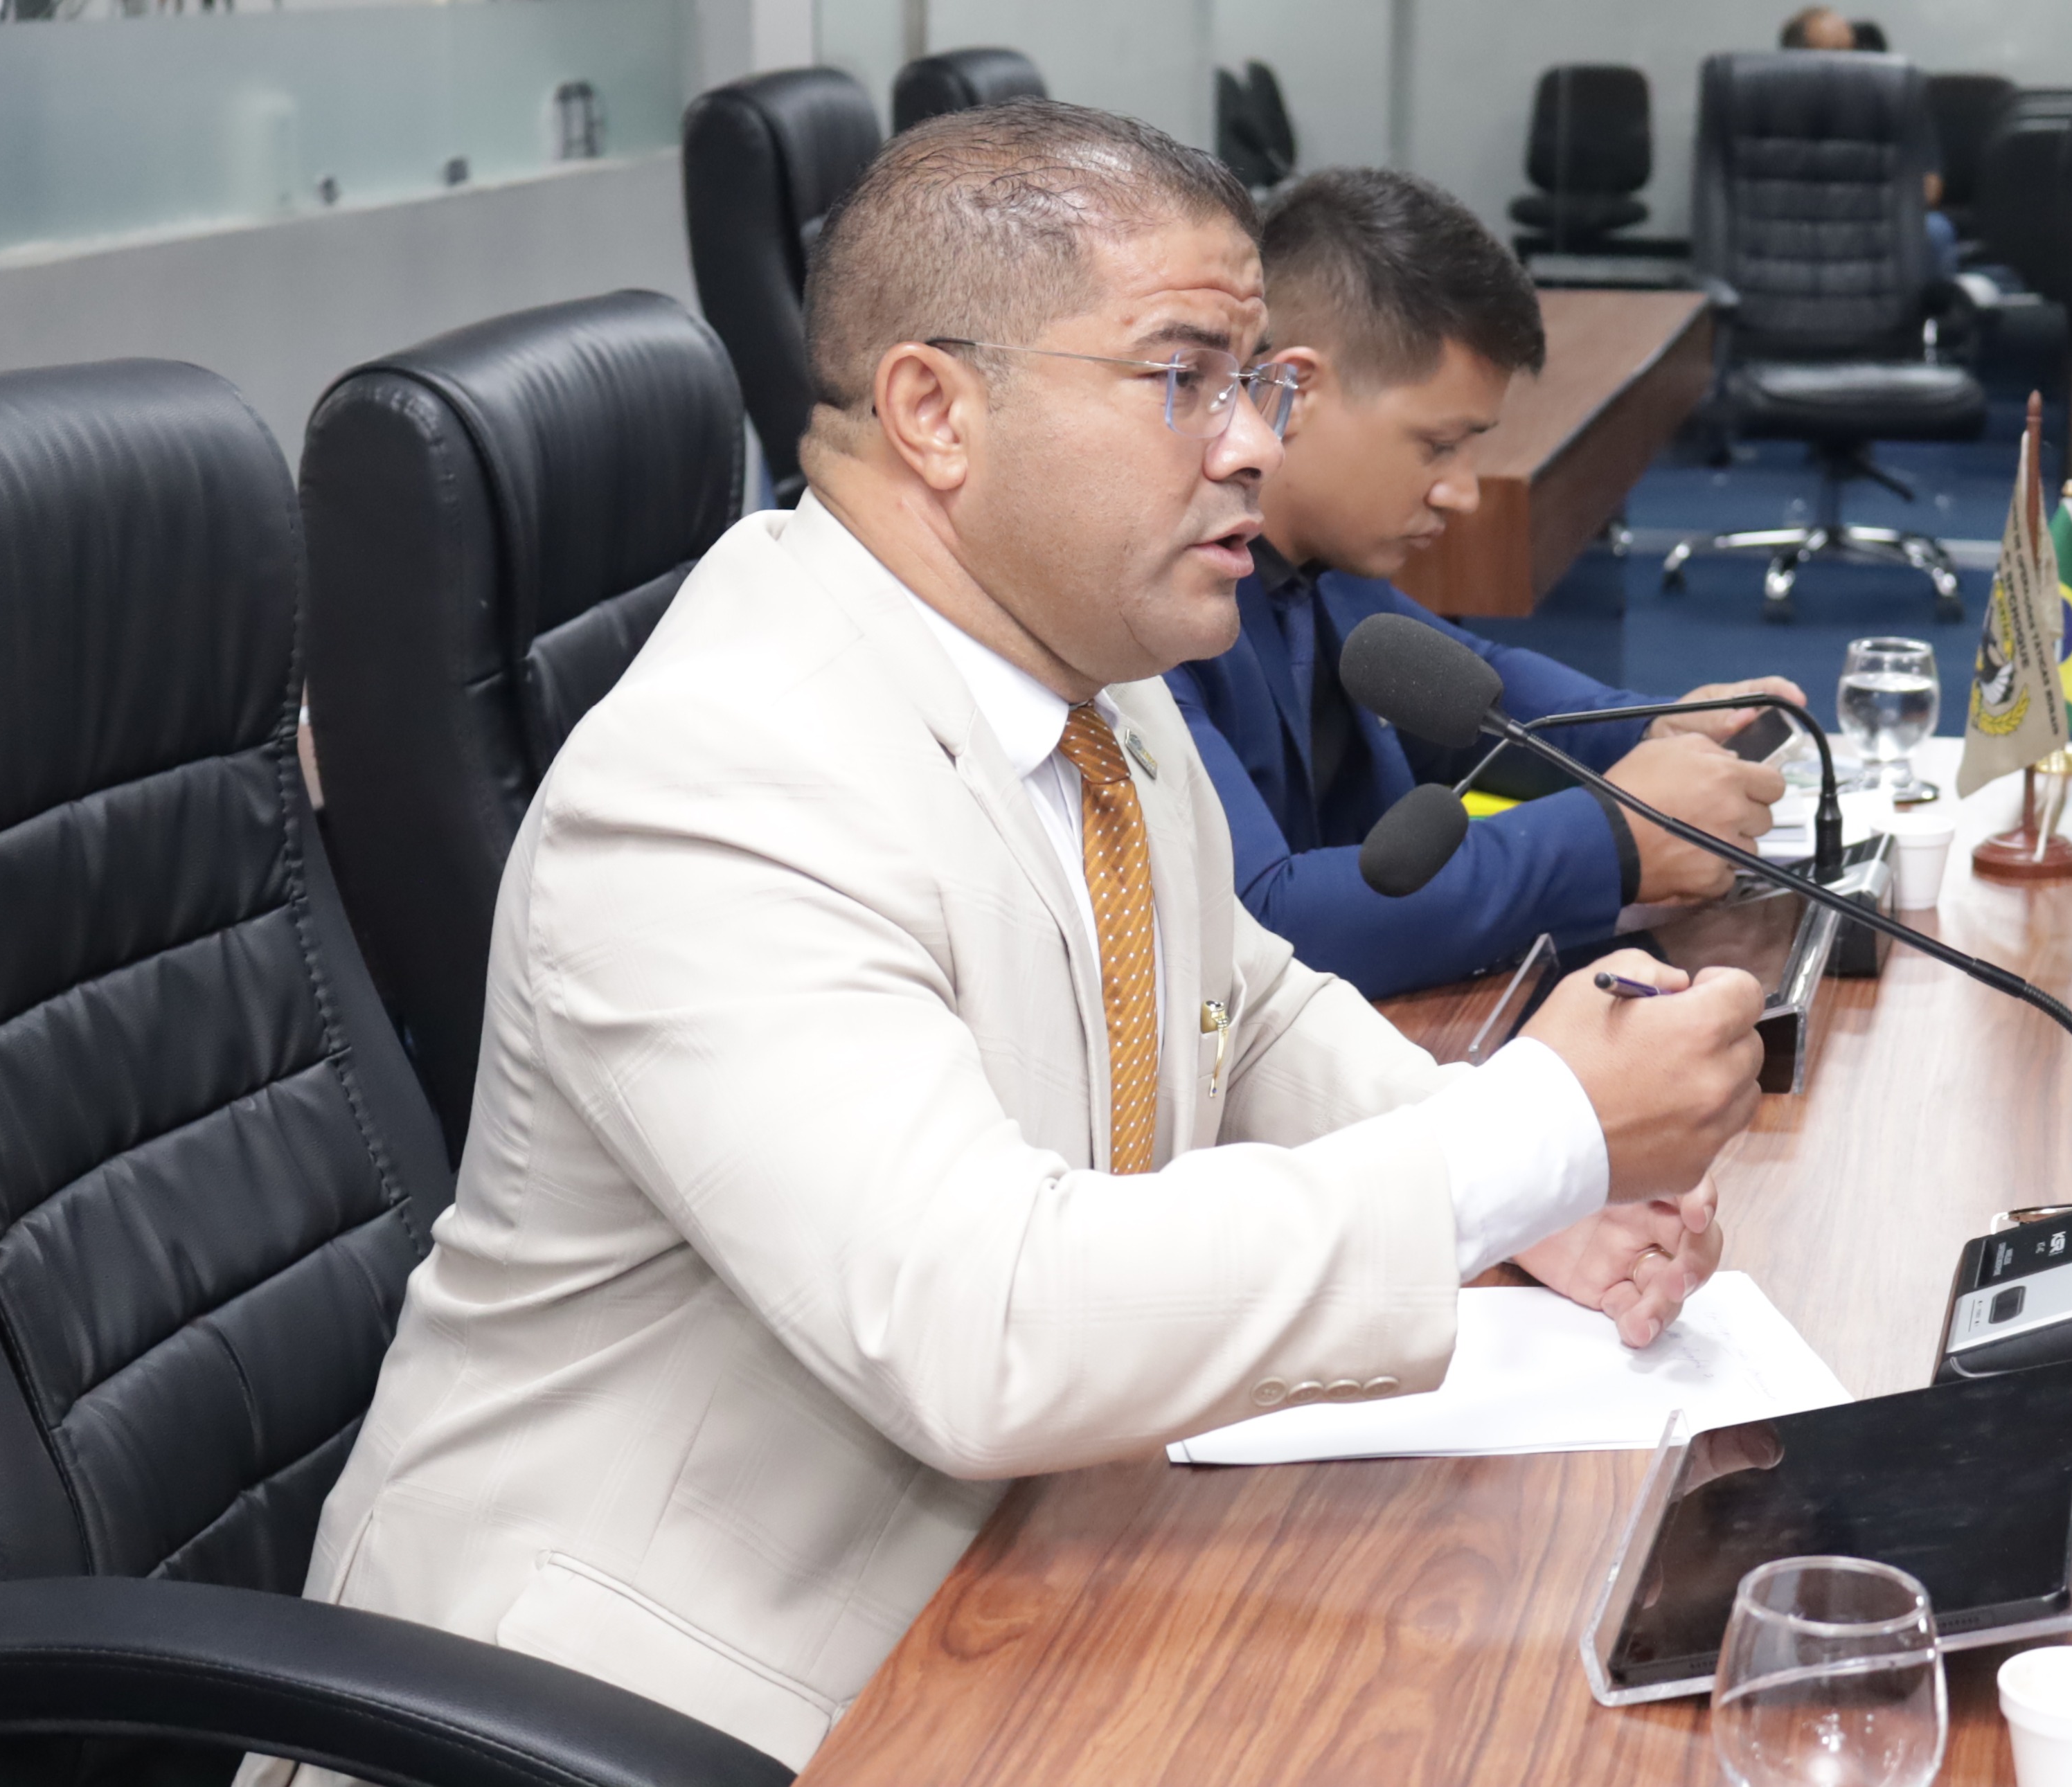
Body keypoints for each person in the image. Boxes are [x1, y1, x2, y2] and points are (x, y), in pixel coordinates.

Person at [246, 101, 1769, 1779]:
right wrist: (1524, 1138)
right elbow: (983, 1324)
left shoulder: (1090, 674)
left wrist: (1543, 1201)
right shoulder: (721, 774)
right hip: (641, 1697)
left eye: (1258, 384)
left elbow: (1244, 1002)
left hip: (1007, 1578)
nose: (1252, 445)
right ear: (935, 412)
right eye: (1183, 377)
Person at [1165, 168, 1802, 1000]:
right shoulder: (1151, 611)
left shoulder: (1327, 572)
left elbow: (1485, 699)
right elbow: (1265, 921)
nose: (1462, 493)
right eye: (1437, 446)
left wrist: (1656, 730)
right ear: (1300, 391)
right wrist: (1611, 838)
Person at [1777, 7, 1956, 276]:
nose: (1851, 62)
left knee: (1935, 231)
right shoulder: (1774, 113)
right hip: (1804, 223)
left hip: (1881, 218)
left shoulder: (1898, 100)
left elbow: (1929, 189)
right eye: (1836, 53)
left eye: (1852, 50)